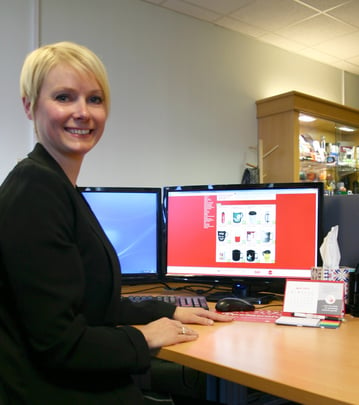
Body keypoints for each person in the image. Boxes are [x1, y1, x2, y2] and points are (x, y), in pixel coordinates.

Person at [0, 41, 232, 405]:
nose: (83, 112)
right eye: (64, 97)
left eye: (95, 99)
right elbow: (60, 345)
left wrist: (168, 309)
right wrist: (145, 338)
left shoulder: (57, 185)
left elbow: (93, 305)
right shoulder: (35, 191)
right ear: (30, 106)